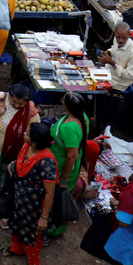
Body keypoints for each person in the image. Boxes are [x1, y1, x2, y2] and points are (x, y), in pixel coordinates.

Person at [2, 122, 57, 265]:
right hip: (20, 199)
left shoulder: (47, 162)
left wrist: (44, 217)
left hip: (35, 207)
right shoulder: (27, 148)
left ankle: (34, 264)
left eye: (26, 134)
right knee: (16, 225)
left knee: (32, 235)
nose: (23, 135)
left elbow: (49, 193)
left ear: (35, 142)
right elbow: (21, 165)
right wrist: (14, 165)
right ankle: (16, 249)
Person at [49, 92, 90, 238]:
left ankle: (52, 230)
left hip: (62, 169)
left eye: (63, 100)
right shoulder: (83, 118)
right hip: (72, 168)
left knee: (56, 199)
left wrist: (63, 178)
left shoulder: (68, 127)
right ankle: (60, 228)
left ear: (66, 106)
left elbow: (72, 156)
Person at [98, 23, 133, 91]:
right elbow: (114, 49)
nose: (120, 40)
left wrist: (112, 63)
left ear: (129, 36)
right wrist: (109, 52)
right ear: (114, 33)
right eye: (118, 37)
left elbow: (130, 76)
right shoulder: (116, 40)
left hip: (119, 83)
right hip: (109, 72)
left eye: (124, 38)